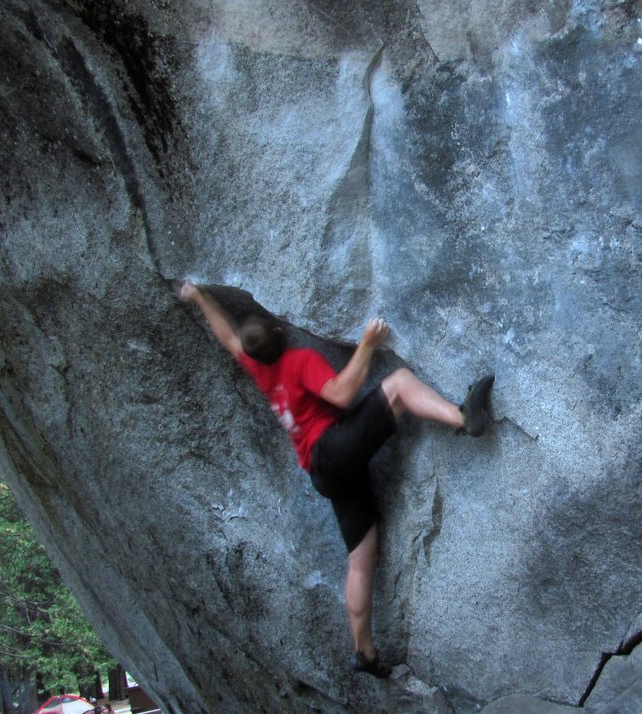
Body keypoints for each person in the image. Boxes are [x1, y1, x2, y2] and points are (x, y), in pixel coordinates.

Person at [178, 280, 494, 678]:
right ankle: (465, 418)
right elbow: (341, 395)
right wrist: (367, 343)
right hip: (334, 449)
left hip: (322, 471)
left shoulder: (258, 366)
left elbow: (228, 337)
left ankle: (363, 651)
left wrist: (199, 297)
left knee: (361, 559)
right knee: (397, 385)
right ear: (281, 332)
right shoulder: (299, 360)